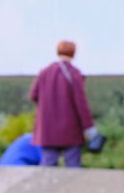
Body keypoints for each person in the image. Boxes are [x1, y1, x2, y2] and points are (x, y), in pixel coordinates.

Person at [28, 40, 100, 168]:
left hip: (48, 130)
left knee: (47, 166)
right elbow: (81, 103)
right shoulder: (74, 73)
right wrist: (89, 127)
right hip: (70, 130)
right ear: (73, 53)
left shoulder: (44, 72)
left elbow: (33, 95)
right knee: (72, 167)